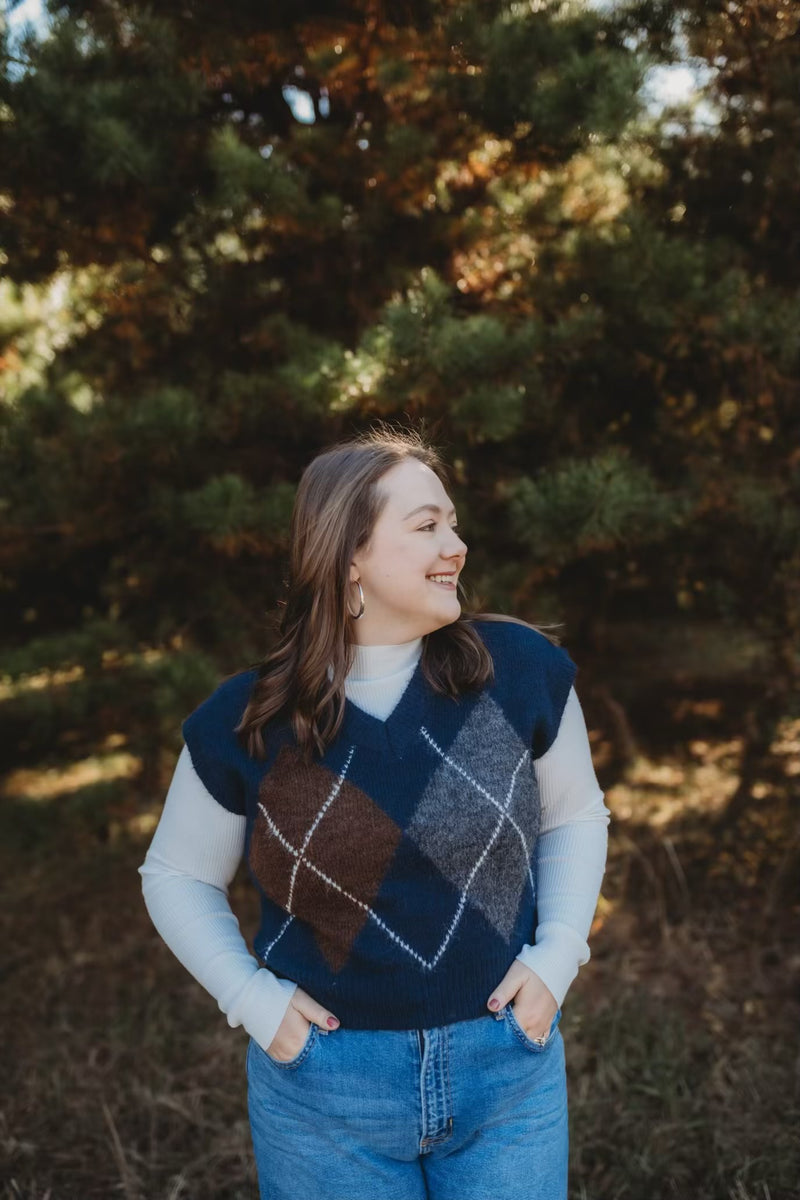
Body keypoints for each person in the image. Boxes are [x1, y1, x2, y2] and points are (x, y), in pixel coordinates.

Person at [139, 425, 610, 1200]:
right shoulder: (248, 721)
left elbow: (575, 817)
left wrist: (558, 958)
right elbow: (176, 876)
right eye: (426, 525)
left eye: (453, 522)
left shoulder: (520, 673)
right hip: (325, 1090)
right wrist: (252, 1001)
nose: (456, 543)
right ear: (348, 553)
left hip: (506, 1069)